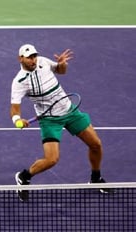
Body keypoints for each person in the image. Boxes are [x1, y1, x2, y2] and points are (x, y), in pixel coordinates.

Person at [10, 44, 112, 202]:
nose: (33, 59)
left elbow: (60, 71)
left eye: (34, 56)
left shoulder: (43, 62)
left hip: (70, 111)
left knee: (96, 144)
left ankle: (95, 178)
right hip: (49, 120)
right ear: (20, 58)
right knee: (51, 159)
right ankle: (24, 176)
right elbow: (14, 108)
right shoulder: (19, 82)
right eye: (29, 57)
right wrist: (17, 120)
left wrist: (62, 64)